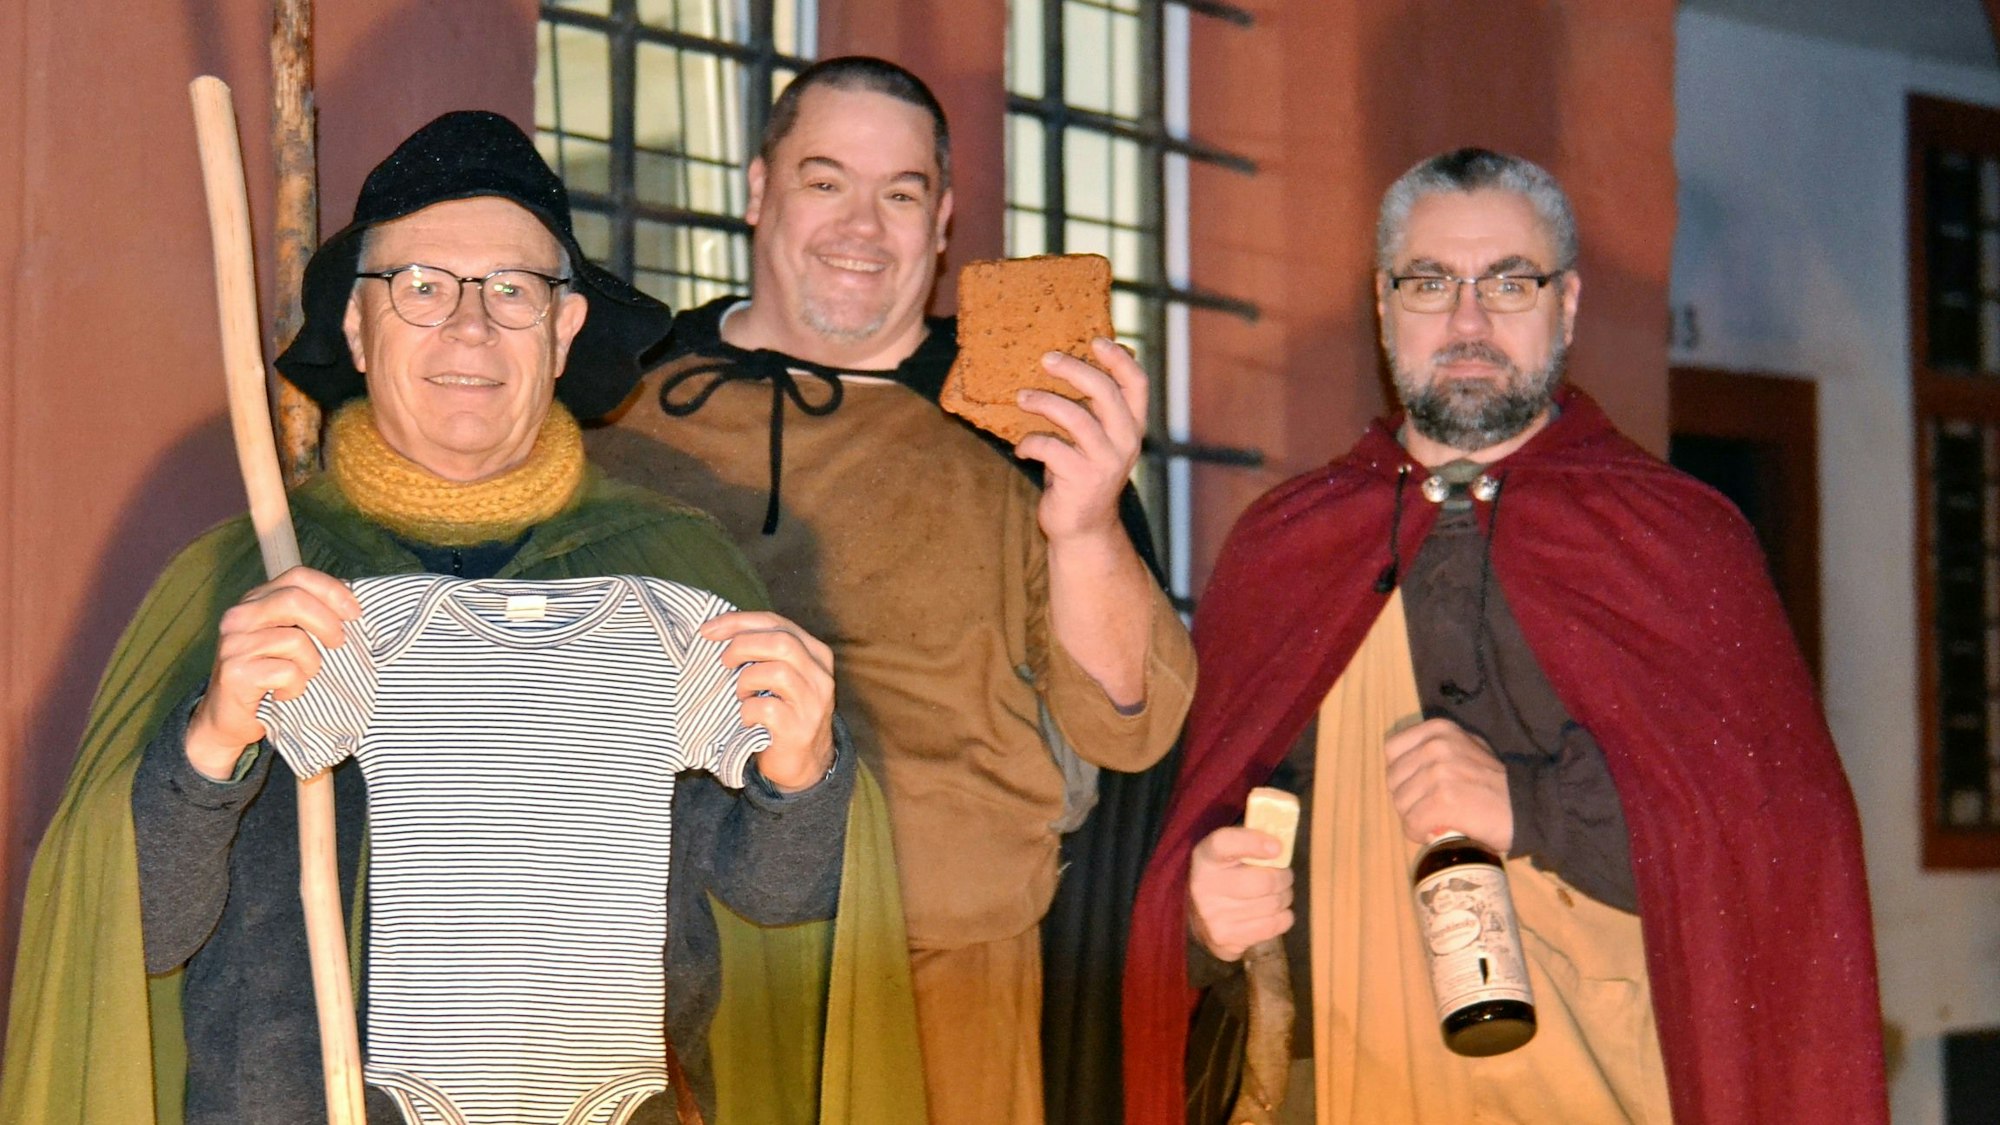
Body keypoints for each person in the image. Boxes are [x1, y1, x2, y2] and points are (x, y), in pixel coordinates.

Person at [0, 111, 924, 1125]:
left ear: (565, 328)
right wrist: (212, 746)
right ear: (355, 327)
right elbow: (131, 930)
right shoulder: (244, 585)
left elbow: (780, 914)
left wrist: (800, 776)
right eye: (421, 288)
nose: (470, 329)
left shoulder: (673, 579)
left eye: (513, 290)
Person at [1121, 148, 1887, 1124]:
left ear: (1563, 306)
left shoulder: (1678, 540)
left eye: (1508, 283)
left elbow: (1779, 848)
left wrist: (1527, 806)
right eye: (1430, 282)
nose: (1467, 321)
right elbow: (1200, 833)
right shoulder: (1283, 547)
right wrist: (1197, 916)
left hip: (1610, 1091)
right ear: (1382, 304)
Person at [588, 57, 1193, 1125]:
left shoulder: (1021, 429)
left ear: (943, 220)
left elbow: (1128, 721)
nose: (861, 226)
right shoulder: (620, 412)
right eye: (826, 182)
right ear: (757, 189)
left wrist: (1086, 522)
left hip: (940, 972)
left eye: (900, 193)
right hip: (673, 973)